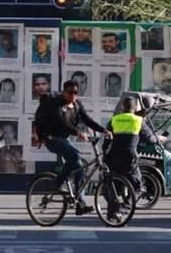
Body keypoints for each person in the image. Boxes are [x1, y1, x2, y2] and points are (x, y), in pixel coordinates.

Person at [36, 80, 109, 215]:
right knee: (74, 157)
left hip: (63, 138)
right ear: (64, 92)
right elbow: (60, 123)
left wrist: (104, 130)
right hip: (51, 138)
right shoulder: (56, 103)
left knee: (80, 166)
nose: (73, 95)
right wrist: (78, 133)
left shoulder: (76, 104)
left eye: (75, 92)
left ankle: (80, 204)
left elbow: (87, 120)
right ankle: (57, 184)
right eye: (70, 92)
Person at [138, 106, 171, 193]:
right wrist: (158, 138)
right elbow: (150, 139)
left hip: (141, 150)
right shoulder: (140, 122)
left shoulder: (134, 122)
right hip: (149, 151)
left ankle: (168, 185)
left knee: (168, 161)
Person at [106, 96, 144, 197]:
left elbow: (107, 138)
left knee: (111, 182)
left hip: (115, 156)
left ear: (122, 107)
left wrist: (105, 153)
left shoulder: (114, 119)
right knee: (138, 186)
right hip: (129, 157)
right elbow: (150, 137)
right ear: (135, 108)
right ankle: (127, 204)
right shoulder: (138, 120)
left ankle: (113, 204)